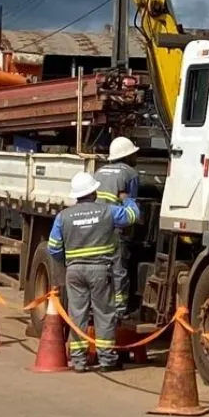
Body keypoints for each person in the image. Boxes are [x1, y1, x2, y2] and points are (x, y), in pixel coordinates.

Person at [47, 171, 140, 372]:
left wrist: (68, 262)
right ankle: (107, 360)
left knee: (77, 314)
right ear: (94, 192)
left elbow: (53, 246)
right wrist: (127, 199)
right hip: (100, 271)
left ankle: (79, 361)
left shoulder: (64, 216)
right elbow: (133, 216)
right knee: (104, 314)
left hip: (74, 271)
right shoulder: (108, 211)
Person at [93, 136, 140, 318]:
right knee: (119, 269)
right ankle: (120, 309)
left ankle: (96, 304)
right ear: (127, 156)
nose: (136, 158)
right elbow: (131, 205)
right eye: (134, 154)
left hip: (96, 227)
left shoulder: (99, 171)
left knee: (99, 267)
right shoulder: (130, 173)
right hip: (115, 228)